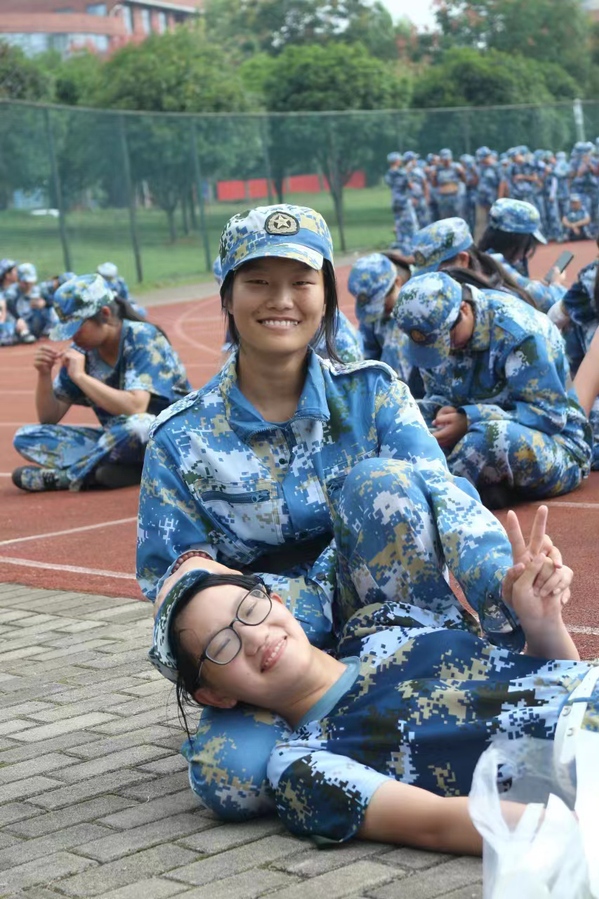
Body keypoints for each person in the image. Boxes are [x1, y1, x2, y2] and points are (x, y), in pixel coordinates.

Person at [137, 203, 561, 822]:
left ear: (326, 297)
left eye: (301, 282)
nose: (281, 300)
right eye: (258, 281)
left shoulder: (372, 392)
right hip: (275, 645)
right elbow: (174, 583)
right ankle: (352, 734)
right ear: (227, 296)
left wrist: (503, 584)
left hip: (396, 624)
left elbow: (445, 497)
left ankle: (404, 707)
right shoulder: (180, 439)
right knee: (230, 778)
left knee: (380, 484)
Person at [149, 504, 588, 855]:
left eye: (249, 609)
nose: (252, 636)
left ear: (278, 602)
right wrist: (569, 834)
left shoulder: (382, 624)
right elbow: (435, 823)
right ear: (214, 695)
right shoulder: (303, 764)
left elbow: (541, 678)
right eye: (222, 645)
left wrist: (542, 621)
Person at [392, 271, 591, 509]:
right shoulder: (438, 333)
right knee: (403, 422)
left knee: (489, 439)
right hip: (475, 434)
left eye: (448, 339)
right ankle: (467, 485)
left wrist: (469, 419)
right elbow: (439, 394)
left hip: (558, 445)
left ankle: (431, 502)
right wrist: (440, 414)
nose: (447, 351)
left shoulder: (519, 333)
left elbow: (550, 416)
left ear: (464, 309)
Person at [12, 273, 191, 492]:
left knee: (139, 425)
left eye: (78, 327)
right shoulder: (82, 352)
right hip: (118, 440)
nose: (73, 337)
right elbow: (49, 417)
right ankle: (124, 471)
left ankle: (67, 477)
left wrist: (81, 377)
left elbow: (136, 407)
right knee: (27, 437)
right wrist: (44, 374)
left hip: (169, 440)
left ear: (104, 314)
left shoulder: (142, 337)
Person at [411, 217, 537, 308]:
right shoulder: (490, 271)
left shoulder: (493, 304)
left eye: (435, 273)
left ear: (463, 260)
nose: (429, 282)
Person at [478, 198, 566, 313]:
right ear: (517, 241)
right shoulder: (496, 263)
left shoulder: (483, 257)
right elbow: (549, 301)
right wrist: (556, 283)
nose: (524, 254)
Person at [348, 252, 412, 383]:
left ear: (398, 282)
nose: (381, 310)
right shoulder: (372, 316)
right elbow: (367, 355)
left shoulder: (421, 307)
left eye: (382, 302)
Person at [5, 263, 58, 338]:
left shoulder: (37, 289)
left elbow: (53, 301)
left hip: (34, 322)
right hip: (18, 323)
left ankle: (49, 330)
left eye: (31, 282)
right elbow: (9, 305)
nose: (29, 285)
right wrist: (18, 319)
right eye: (26, 283)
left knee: (50, 310)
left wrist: (45, 303)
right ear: (19, 280)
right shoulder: (11, 291)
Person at [384, 152, 417, 253]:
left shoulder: (388, 174)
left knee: (399, 224)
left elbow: (389, 183)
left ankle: (402, 247)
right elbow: (410, 186)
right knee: (410, 225)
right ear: (397, 161)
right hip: (404, 201)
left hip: (395, 201)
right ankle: (411, 248)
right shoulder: (402, 173)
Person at [0, 258, 36, 345]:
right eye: (15, 271)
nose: (18, 272)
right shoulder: (5, 293)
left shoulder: (18, 288)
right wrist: (18, 319)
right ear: (7, 275)